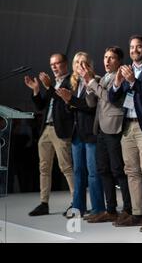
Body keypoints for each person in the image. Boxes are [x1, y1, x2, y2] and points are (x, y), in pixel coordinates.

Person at [108, 35, 142, 231]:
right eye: (131, 47)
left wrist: (133, 82)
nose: (134, 50)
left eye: (139, 47)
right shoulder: (126, 70)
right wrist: (117, 82)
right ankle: (138, 213)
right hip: (127, 126)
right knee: (131, 171)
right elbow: (113, 98)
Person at [81, 46, 132, 223]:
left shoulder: (122, 77)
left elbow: (111, 98)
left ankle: (128, 209)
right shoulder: (103, 78)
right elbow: (91, 103)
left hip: (114, 126)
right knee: (103, 169)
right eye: (105, 57)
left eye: (111, 58)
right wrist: (89, 86)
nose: (107, 61)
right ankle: (111, 210)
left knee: (118, 170)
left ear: (119, 61)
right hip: (100, 127)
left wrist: (92, 83)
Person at [55, 52, 105, 218]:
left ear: (89, 64)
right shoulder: (73, 82)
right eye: (77, 63)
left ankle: (98, 209)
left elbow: (91, 107)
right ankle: (78, 208)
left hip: (91, 132)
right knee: (78, 171)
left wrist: (71, 101)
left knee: (93, 172)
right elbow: (73, 108)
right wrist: (67, 102)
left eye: (83, 63)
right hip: (77, 133)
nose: (80, 66)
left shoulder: (96, 80)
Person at [24, 53, 74, 216]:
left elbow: (64, 102)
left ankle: (77, 201)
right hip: (46, 129)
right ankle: (44, 203)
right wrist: (37, 90)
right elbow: (41, 106)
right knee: (44, 168)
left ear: (65, 64)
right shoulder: (51, 84)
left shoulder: (71, 80)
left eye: (57, 63)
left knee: (66, 167)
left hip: (61, 130)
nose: (53, 66)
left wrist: (49, 87)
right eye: (51, 64)